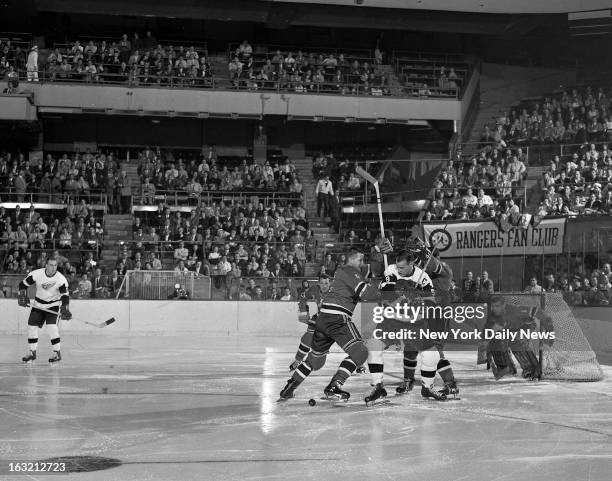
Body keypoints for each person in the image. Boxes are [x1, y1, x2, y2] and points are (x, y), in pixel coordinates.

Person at [278, 249, 380, 402]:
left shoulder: (345, 274)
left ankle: (290, 386)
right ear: (351, 260)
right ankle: (334, 386)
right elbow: (367, 294)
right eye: (360, 260)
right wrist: (385, 292)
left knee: (316, 360)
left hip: (323, 318)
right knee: (361, 352)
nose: (362, 264)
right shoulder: (349, 270)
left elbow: (365, 288)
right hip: (337, 318)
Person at [478, 296, 553, 380]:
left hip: (526, 326)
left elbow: (543, 315)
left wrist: (550, 334)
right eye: (493, 306)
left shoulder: (516, 311)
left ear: (504, 305)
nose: (494, 309)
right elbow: (485, 335)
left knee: (516, 340)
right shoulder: (492, 316)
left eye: (497, 306)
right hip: (512, 329)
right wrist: (484, 346)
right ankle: (506, 367)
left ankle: (531, 369)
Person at [18, 258, 72, 364]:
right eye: (51, 265)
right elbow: (22, 284)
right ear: (46, 265)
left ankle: (57, 353)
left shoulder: (61, 279)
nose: (53, 267)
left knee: (51, 328)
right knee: (31, 328)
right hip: (38, 305)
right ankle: (32, 353)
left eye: (55, 265)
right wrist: (22, 295)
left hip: (53, 306)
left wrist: (65, 308)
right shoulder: (37, 274)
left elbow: (65, 296)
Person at [290, 274, 331, 370]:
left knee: (343, 339)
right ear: (318, 283)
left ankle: (359, 363)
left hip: (334, 320)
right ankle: (297, 360)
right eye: (322, 283)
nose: (324, 285)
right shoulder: (314, 289)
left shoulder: (336, 291)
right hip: (319, 318)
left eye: (326, 283)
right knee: (307, 338)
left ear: (330, 283)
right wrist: (303, 311)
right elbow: (302, 297)